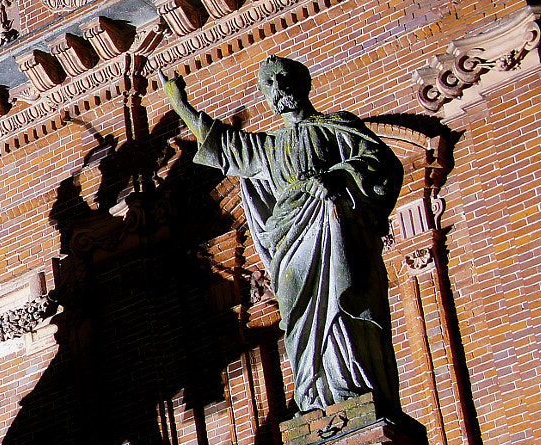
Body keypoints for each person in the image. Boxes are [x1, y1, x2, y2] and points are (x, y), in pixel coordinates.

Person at [162, 56, 404, 417]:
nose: (278, 89)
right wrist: (181, 105)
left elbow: (380, 162)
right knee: (298, 320)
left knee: (345, 301)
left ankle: (351, 387)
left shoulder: (338, 126)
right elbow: (221, 143)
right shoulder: (269, 148)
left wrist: (339, 176)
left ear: (303, 84)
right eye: (269, 85)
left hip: (333, 227)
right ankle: (314, 395)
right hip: (291, 239)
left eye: (283, 79)